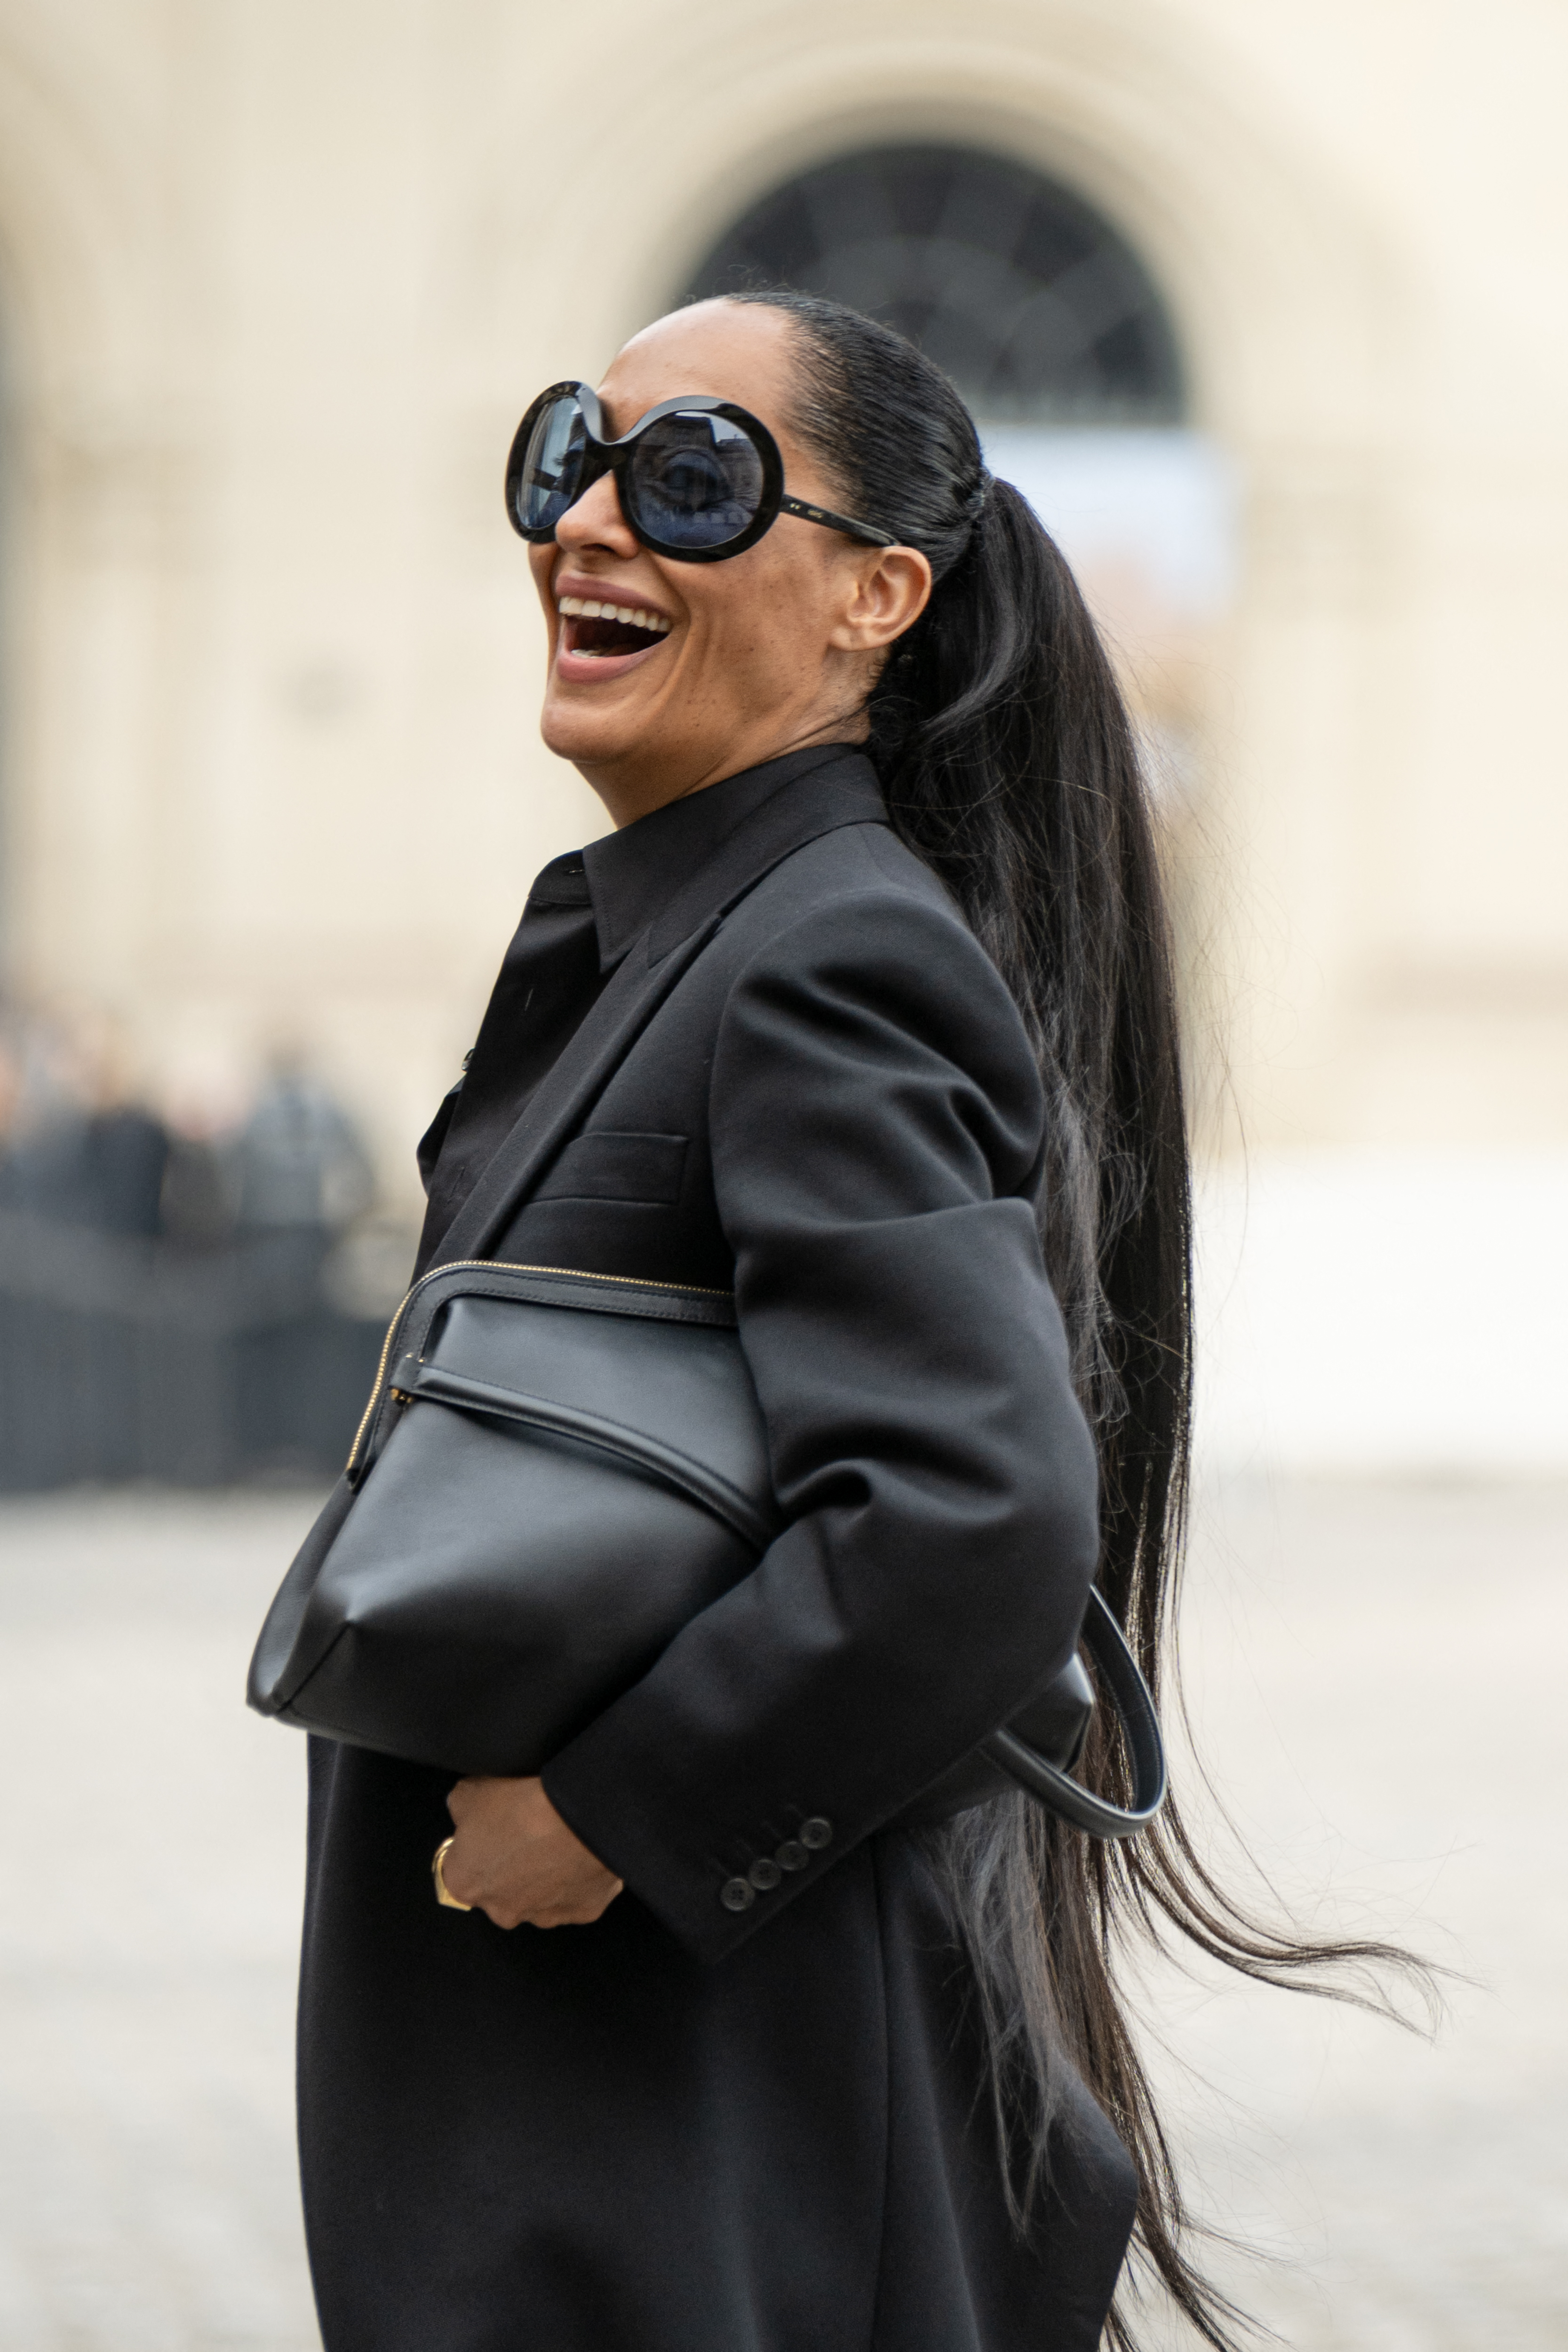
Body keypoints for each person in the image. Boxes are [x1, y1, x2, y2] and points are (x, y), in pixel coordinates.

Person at [296, 294, 1402, 2352]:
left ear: (876, 597)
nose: (590, 520)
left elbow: (972, 1518)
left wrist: (620, 1811)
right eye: (569, 455)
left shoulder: (823, 954)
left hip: (713, 2141)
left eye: (693, 480)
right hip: (624, 2116)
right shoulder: (682, 932)